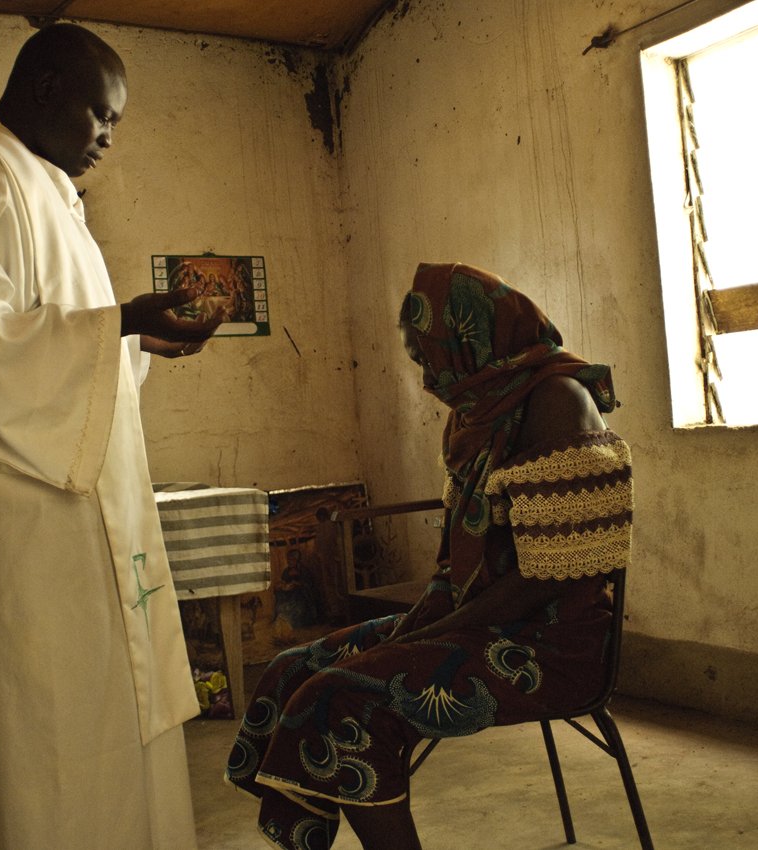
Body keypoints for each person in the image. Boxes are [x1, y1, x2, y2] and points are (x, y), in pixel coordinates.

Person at [0, 23, 220, 850]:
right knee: (49, 728)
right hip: (23, 524)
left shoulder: (44, 184)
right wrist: (119, 324)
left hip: (81, 512)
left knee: (102, 715)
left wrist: (140, 339)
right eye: (100, 114)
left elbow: (65, 335)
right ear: (41, 91)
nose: (109, 135)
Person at [225, 262, 633, 850]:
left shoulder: (557, 403)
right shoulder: (478, 410)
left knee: (340, 697)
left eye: (431, 357)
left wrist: (432, 630)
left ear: (472, 340)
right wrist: (422, 621)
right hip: (482, 621)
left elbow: (546, 579)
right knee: (291, 669)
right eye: (418, 360)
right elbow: (459, 558)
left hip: (550, 644)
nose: (427, 378)